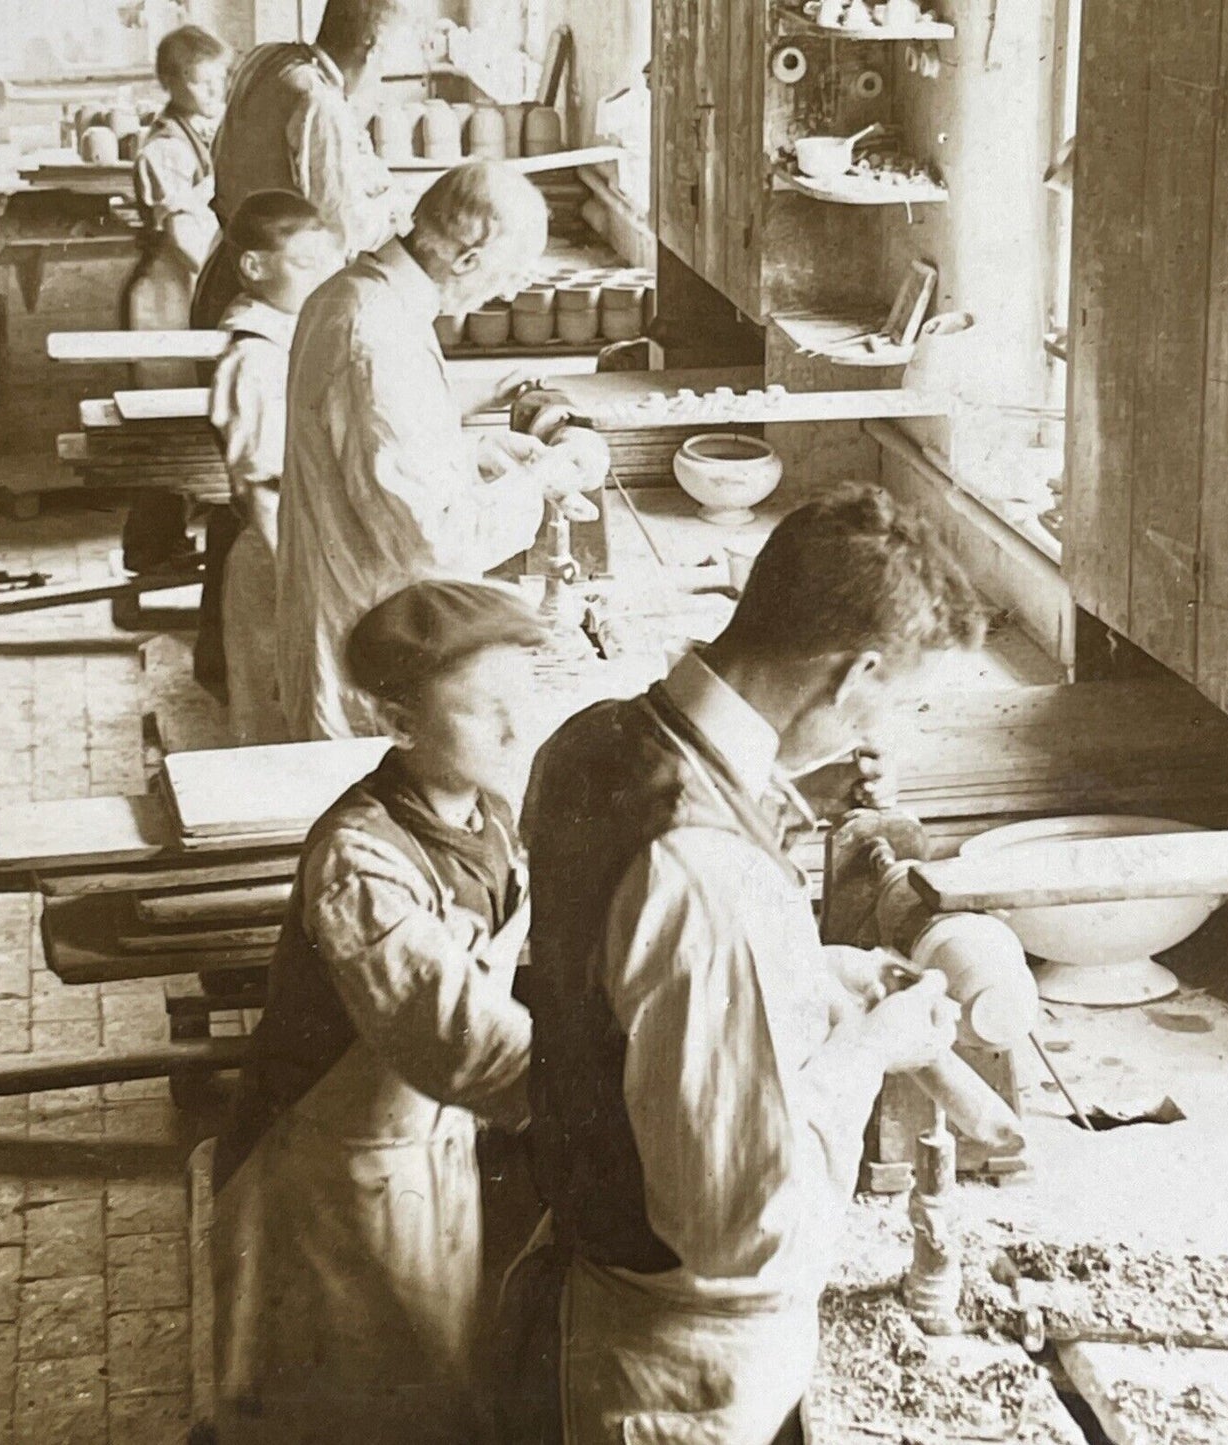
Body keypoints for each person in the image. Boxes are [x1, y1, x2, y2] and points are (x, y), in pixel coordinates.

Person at [505, 484, 984, 1445]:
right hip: (674, 1367)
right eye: (893, 698)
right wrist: (867, 1048)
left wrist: (812, 978)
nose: (877, 733)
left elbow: (641, 1000)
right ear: (856, 674)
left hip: (595, 1289)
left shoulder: (595, 737)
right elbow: (739, 1222)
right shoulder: (708, 870)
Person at [212, 578, 548, 1445]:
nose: (517, 728)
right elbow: (463, 1044)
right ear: (400, 723)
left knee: (433, 1374)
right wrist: (621, 1092)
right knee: (348, 1400)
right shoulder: (362, 866)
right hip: (332, 1168)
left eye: (524, 698)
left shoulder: (487, 813)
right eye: (483, 710)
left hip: (424, 1143)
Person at [276, 160, 606, 741]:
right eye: (511, 275)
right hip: (369, 627)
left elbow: (364, 453)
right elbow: (435, 538)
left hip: (353, 600)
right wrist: (541, 480)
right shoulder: (379, 336)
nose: (510, 292)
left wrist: (473, 452)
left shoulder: (353, 293)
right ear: (466, 260)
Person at [205, 191, 341, 742]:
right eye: (306, 264)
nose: (324, 277)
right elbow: (263, 489)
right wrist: (300, 588)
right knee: (273, 720)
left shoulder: (290, 334)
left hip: (302, 549)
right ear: (255, 267)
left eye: (330, 263)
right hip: (274, 560)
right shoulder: (254, 360)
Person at [192, 0, 411, 328]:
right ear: (373, 49)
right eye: (388, 59)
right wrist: (397, 213)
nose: (382, 76)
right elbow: (345, 228)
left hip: (227, 270)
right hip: (276, 293)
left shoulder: (266, 58)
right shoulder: (319, 101)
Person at [120, 23, 231, 573]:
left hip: (193, 287)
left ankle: (166, 539)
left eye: (219, 80)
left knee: (192, 416)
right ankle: (148, 545)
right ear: (171, 82)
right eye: (201, 82)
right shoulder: (164, 148)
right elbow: (186, 240)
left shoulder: (204, 132)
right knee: (164, 422)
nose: (214, 91)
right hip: (167, 292)